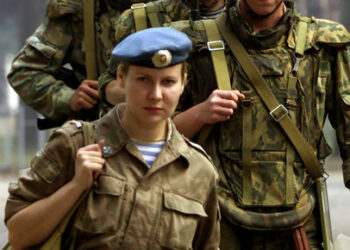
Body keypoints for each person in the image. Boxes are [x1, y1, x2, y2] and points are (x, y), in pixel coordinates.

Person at [4, 27, 220, 250]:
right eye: (143, 79)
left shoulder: (198, 170)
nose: (156, 94)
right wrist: (76, 187)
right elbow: (19, 235)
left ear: (183, 83)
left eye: (168, 82)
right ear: (121, 78)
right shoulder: (76, 142)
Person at [170, 0, 350, 249]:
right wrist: (201, 113)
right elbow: (158, 136)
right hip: (217, 217)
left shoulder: (324, 42)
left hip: (299, 219)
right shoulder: (192, 41)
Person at [7, 0, 152, 129]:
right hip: (102, 135)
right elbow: (25, 72)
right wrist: (68, 98)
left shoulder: (171, 7)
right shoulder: (78, 9)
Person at [99, 0, 226, 115]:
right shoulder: (142, 18)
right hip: (158, 134)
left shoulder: (240, 20)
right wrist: (149, 92)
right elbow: (109, 82)